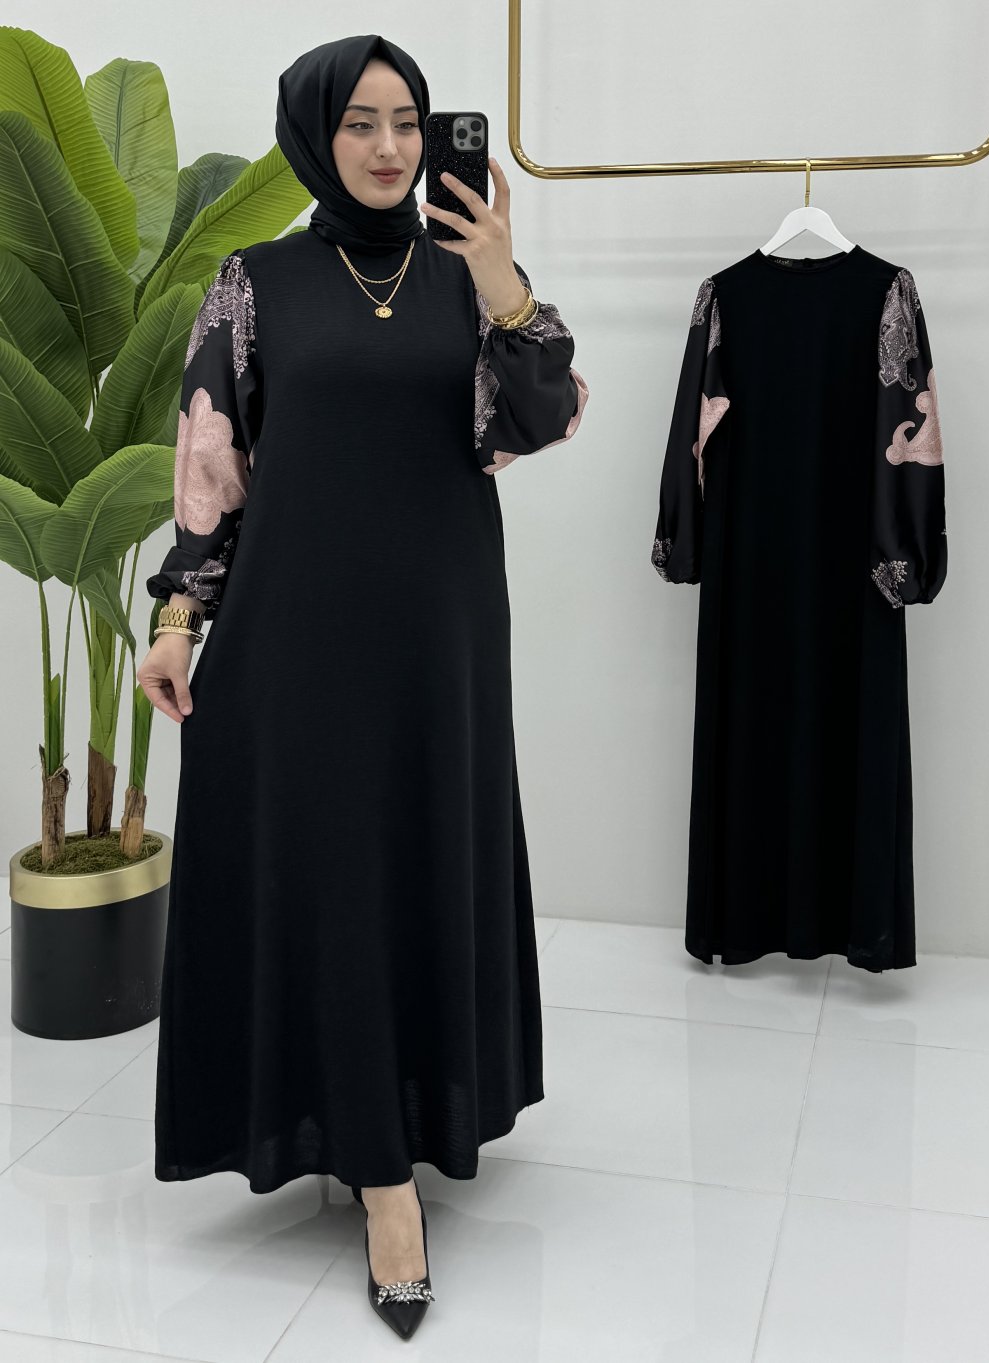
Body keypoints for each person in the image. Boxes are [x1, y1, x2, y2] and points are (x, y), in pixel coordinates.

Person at [138, 33, 588, 1341]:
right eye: (361, 123)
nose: (391, 147)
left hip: (440, 638)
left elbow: (545, 417)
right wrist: (177, 618)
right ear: (314, 133)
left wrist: (506, 287)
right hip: (296, 640)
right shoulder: (258, 281)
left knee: (416, 863)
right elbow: (212, 469)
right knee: (326, 876)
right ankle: (383, 1183)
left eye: (409, 122)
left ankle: (410, 1114)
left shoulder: (467, 278)